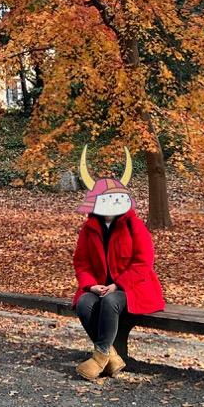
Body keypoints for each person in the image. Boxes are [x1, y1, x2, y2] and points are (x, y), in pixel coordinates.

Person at [71, 147, 165, 380]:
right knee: (84, 303)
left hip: (133, 288)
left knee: (111, 301)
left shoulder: (135, 226)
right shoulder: (88, 228)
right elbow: (81, 262)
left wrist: (118, 285)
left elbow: (143, 262)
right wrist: (91, 286)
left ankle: (99, 358)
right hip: (100, 287)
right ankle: (111, 358)